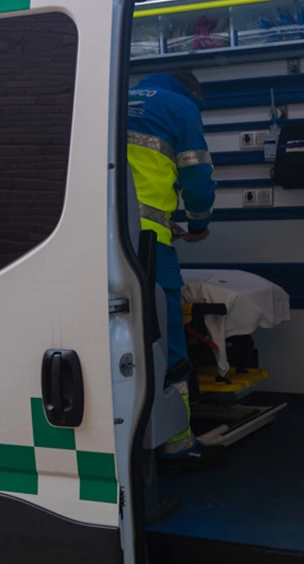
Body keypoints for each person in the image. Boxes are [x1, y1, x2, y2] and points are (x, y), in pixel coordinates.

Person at [127, 71, 227, 470]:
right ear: (193, 92)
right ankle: (176, 443)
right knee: (166, 341)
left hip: (95, 242)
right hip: (149, 244)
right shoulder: (181, 107)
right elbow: (198, 179)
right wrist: (199, 225)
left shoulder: (112, 94)